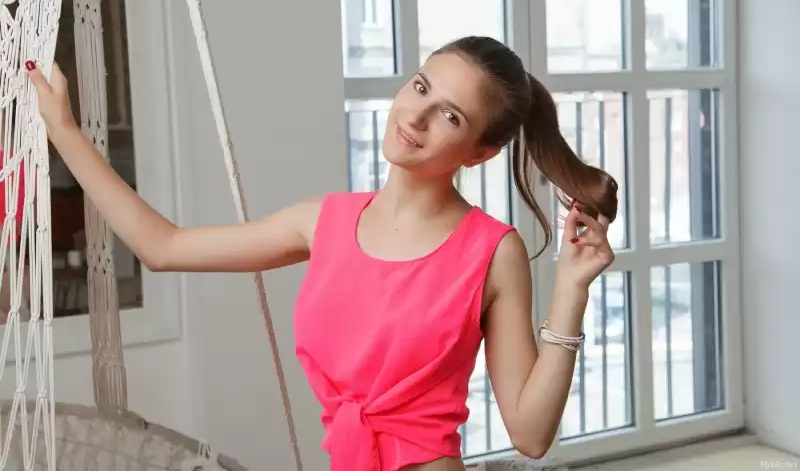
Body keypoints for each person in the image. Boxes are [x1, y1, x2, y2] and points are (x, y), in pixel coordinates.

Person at [25, 35, 618, 471]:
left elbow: (530, 435)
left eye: (449, 115)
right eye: (420, 87)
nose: (415, 117)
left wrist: (571, 291)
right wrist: (65, 133)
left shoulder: (490, 250)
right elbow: (163, 247)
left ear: (479, 153)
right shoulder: (322, 222)